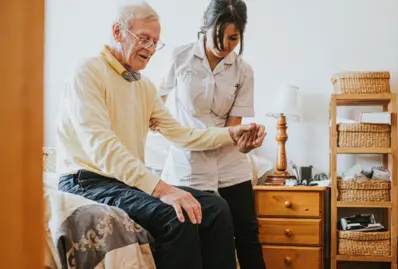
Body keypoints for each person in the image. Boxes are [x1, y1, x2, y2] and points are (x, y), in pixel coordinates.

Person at [55, 1, 266, 269]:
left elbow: (182, 134)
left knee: (215, 209)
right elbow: (103, 149)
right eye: (144, 39)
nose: (151, 48)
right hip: (86, 180)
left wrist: (232, 134)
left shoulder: (144, 87)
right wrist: (163, 189)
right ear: (117, 32)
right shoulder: (86, 72)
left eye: (156, 42)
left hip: (123, 182)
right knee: (176, 216)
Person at [158, 0, 266, 268]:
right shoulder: (179, 57)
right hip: (188, 165)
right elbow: (155, 101)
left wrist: (244, 144)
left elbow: (232, 128)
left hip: (231, 165)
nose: (224, 44)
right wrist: (153, 120)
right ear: (204, 28)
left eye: (233, 38)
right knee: (197, 239)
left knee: (247, 238)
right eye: (218, 35)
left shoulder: (244, 71)